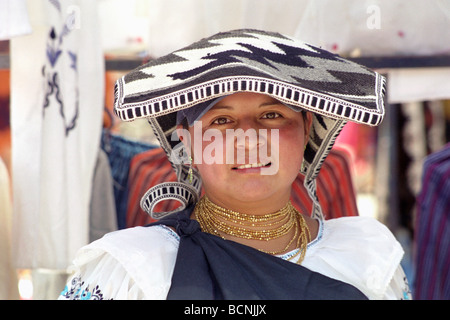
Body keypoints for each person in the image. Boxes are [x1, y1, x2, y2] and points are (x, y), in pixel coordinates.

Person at [59, 29, 411, 300]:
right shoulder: (135, 267)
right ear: (188, 143)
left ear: (306, 131)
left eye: (271, 115)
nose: (249, 139)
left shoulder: (367, 257)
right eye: (221, 122)